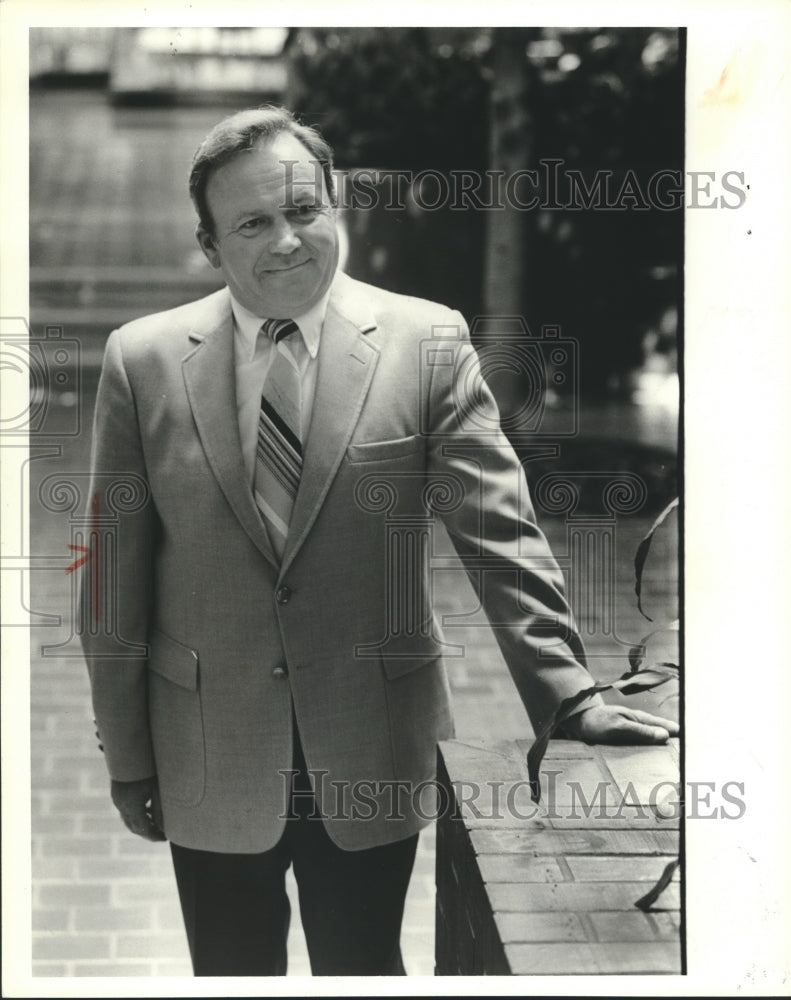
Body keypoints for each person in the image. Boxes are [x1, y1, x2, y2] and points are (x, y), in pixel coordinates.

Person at [80, 106, 678, 977]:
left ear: (335, 207)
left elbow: (498, 531)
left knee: (363, 965)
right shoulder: (142, 361)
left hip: (370, 739)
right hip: (205, 744)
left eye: (304, 210)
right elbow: (114, 581)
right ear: (210, 246)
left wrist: (566, 693)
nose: (287, 241)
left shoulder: (426, 342)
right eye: (252, 223)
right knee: (229, 972)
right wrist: (128, 754)